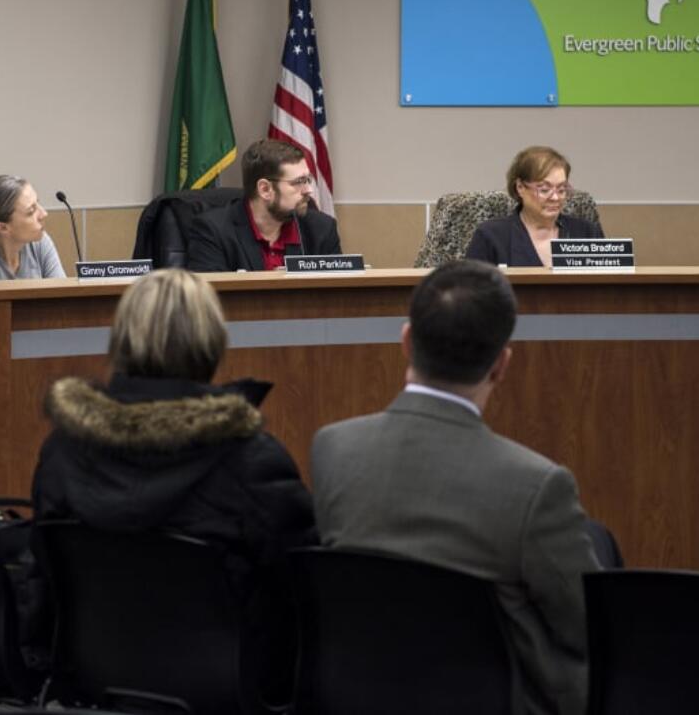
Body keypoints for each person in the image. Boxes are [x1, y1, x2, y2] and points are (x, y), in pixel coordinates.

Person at [311, 260, 601, 715]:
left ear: (406, 341)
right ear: (502, 365)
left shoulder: (332, 451)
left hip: (362, 697)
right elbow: (591, 627)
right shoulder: (536, 486)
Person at [33, 267, 317, 701]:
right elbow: (304, 586)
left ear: (120, 340)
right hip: (233, 690)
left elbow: (46, 579)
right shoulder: (251, 460)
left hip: (93, 679)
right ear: (212, 342)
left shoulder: (63, 451)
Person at [186, 139, 341, 272]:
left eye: (308, 180)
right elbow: (207, 301)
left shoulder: (322, 229)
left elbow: (338, 297)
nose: (309, 190)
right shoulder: (213, 231)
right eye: (299, 182)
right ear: (265, 189)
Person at [466, 145, 603, 268]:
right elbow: (472, 291)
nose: (555, 198)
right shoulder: (491, 235)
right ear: (520, 187)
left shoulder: (588, 232)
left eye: (562, 189)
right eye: (544, 190)